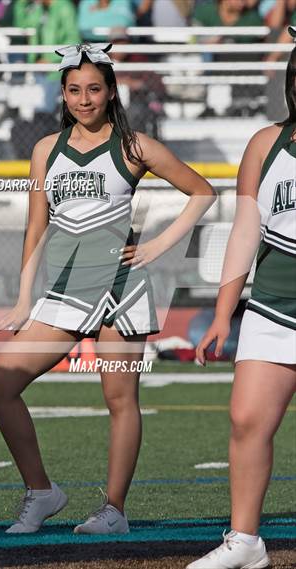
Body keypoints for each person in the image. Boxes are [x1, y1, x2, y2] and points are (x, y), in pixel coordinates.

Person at [0, 42, 216, 535]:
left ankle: (114, 510)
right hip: (66, 289)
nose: (84, 99)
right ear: (63, 94)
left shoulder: (135, 146)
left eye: (93, 89)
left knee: (119, 399)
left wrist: (158, 245)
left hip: (120, 290)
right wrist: (24, 298)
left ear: (111, 92)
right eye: (74, 90)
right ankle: (41, 492)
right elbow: (36, 225)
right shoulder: (45, 150)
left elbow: (202, 191)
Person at [188, 27, 296, 569]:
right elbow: (245, 231)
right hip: (274, 303)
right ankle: (246, 542)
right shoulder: (265, 144)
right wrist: (222, 313)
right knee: (247, 418)